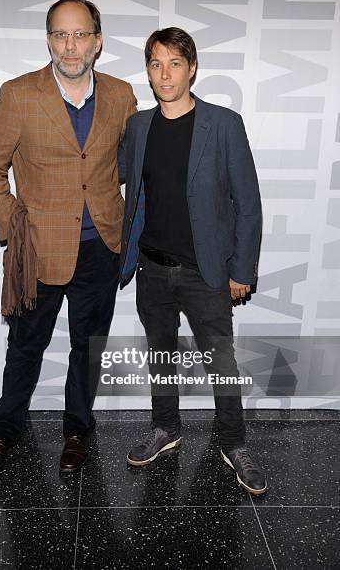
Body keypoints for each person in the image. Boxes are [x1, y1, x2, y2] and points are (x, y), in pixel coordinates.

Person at [0, 0, 137, 475]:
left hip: (101, 247)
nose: (71, 45)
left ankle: (76, 431)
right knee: (25, 345)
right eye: (61, 34)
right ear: (49, 39)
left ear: (98, 41)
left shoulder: (121, 94)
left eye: (80, 34)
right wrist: (13, 228)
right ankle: (6, 429)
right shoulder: (20, 94)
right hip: (38, 250)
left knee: (88, 347)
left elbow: (123, 166)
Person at [118, 27, 267, 495]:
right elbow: (122, 184)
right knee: (161, 355)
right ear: (147, 71)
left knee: (220, 358)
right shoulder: (138, 126)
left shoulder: (223, 124)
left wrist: (241, 270)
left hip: (207, 272)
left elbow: (248, 203)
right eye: (156, 63)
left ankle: (234, 442)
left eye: (175, 63)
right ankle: (167, 427)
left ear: (192, 69)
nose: (165, 73)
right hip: (152, 268)